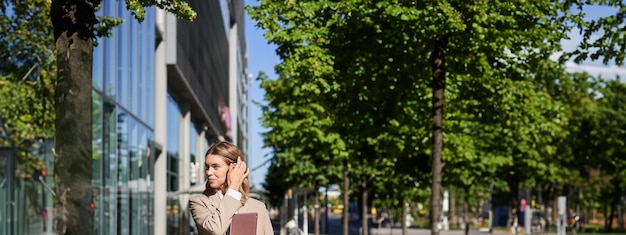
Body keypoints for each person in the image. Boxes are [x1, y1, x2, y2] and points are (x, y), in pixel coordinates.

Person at [189, 141, 274, 235]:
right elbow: (215, 230)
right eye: (207, 167)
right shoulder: (200, 202)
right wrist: (232, 190)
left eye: (215, 167)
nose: (209, 172)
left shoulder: (258, 207)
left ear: (234, 168)